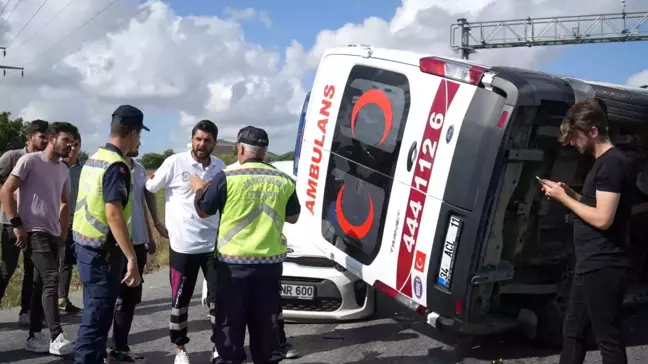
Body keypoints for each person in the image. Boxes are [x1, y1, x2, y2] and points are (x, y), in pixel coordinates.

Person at [192, 126, 301, 364]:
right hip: (269, 267)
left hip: (233, 267)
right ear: (264, 151)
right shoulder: (283, 180)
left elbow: (203, 211)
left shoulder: (227, 177)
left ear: (240, 149)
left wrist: (200, 189)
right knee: (265, 327)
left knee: (230, 326)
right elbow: (293, 217)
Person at [540, 99, 632, 364]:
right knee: (572, 331)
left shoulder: (612, 164)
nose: (571, 143)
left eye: (575, 136)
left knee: (607, 338)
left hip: (604, 264)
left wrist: (564, 199)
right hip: (590, 262)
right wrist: (570, 194)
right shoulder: (602, 164)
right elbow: (596, 206)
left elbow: (603, 219)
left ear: (593, 130)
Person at [145, 119, 225, 364]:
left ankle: (219, 346)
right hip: (182, 245)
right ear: (192, 139)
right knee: (180, 301)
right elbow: (149, 187)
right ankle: (181, 349)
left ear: (214, 143)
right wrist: (158, 224)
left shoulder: (220, 167)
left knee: (218, 301)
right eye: (198, 139)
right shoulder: (174, 162)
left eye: (207, 140)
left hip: (212, 245)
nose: (201, 144)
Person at [73, 105, 147, 364]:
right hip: (103, 255)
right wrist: (132, 258)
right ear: (133, 132)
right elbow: (113, 214)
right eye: (139, 135)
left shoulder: (94, 159)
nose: (139, 140)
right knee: (96, 323)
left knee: (92, 315)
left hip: (85, 247)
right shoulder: (117, 166)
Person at [0, 121, 78, 355]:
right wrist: (16, 224)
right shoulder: (29, 161)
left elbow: (64, 201)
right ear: (52, 139)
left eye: (73, 143)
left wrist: (63, 232)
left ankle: (34, 336)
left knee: (38, 283)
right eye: (66, 141)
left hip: (53, 231)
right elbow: (6, 190)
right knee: (51, 277)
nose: (70, 146)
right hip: (33, 230)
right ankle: (56, 336)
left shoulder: (64, 168)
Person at [107, 141, 157, 364]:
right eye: (137, 136)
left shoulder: (138, 169)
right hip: (113, 243)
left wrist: (150, 234)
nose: (139, 143)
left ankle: (119, 349)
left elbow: (143, 202)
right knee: (106, 299)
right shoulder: (110, 166)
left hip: (137, 241)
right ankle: (96, 349)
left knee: (129, 299)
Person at [0, 119, 49, 325]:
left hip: (35, 223)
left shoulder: (44, 161)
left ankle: (26, 311)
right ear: (30, 137)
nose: (46, 140)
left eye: (49, 137)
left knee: (32, 270)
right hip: (12, 223)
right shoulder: (12, 157)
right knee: (7, 268)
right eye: (42, 136)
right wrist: (12, 215)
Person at [58, 131, 83, 315]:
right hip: (59, 219)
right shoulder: (58, 166)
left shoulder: (84, 169)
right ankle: (59, 299)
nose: (73, 148)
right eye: (70, 144)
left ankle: (64, 298)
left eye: (76, 144)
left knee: (74, 261)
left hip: (80, 220)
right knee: (61, 261)